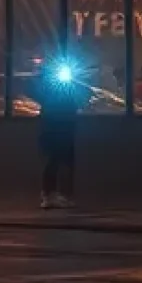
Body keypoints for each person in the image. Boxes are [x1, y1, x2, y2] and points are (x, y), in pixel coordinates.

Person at [34, 57, 82, 209]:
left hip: (63, 128)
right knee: (54, 161)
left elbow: (76, 102)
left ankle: (62, 194)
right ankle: (50, 194)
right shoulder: (49, 89)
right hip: (55, 129)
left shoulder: (65, 90)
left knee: (64, 162)